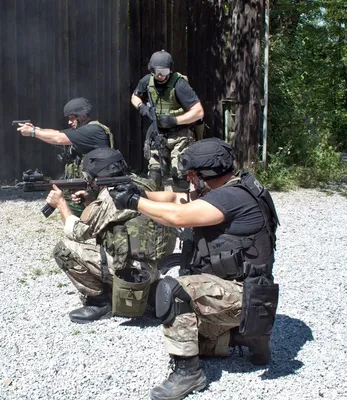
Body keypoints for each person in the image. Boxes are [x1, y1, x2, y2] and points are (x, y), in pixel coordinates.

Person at [109, 138, 280, 400]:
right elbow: (173, 198)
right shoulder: (235, 186)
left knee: (173, 290)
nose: (188, 179)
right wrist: (136, 192)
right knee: (160, 303)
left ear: (206, 174)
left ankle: (188, 373)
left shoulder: (230, 198)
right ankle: (242, 338)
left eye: (192, 174)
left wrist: (134, 202)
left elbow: (177, 216)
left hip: (243, 295)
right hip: (249, 292)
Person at [46, 147, 175, 324]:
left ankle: (99, 303)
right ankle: (150, 292)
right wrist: (90, 202)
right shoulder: (142, 184)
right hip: (153, 267)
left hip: (132, 273)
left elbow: (78, 233)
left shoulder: (111, 195)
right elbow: (114, 218)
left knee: (64, 250)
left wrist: (61, 204)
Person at [17, 98, 113, 216]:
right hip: (89, 185)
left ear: (82, 116)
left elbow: (58, 138)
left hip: (101, 188)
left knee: (71, 209)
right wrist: (37, 129)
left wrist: (32, 132)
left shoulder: (93, 130)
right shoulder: (83, 130)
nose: (69, 122)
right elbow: (57, 132)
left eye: (72, 118)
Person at [131, 50, 205, 190]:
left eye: (164, 72)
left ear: (170, 70)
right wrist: (141, 106)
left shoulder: (179, 84)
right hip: (158, 135)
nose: (160, 76)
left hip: (180, 135)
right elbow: (135, 96)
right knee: (155, 174)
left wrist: (175, 121)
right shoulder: (147, 81)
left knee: (180, 175)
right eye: (156, 71)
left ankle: (186, 206)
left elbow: (199, 112)